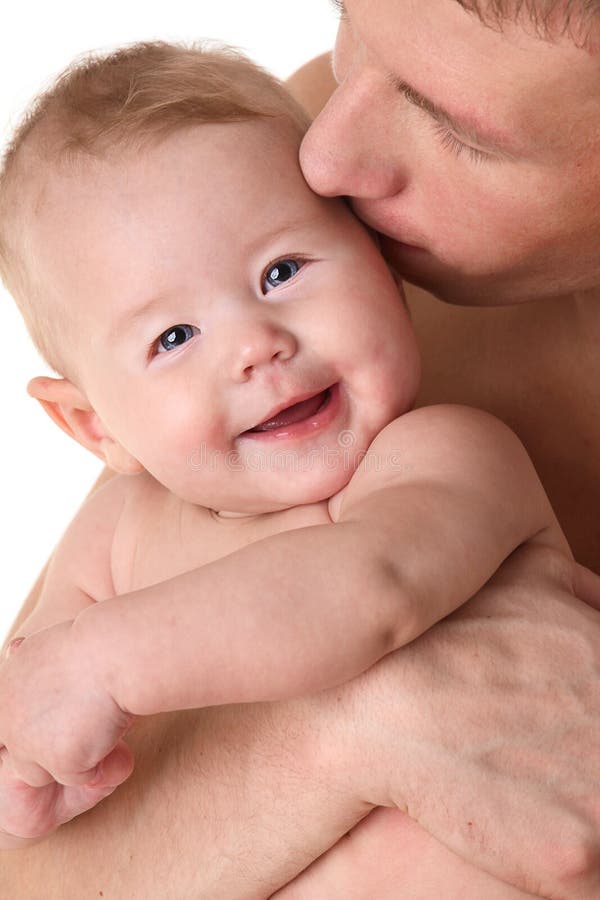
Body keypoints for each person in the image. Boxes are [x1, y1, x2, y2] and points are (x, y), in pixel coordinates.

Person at [2, 1, 600, 895]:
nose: (255, 346)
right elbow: (34, 784)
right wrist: (28, 776)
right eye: (173, 338)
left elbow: (369, 585)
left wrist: (106, 663)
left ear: (374, 269)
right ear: (94, 425)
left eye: (283, 273)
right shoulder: (119, 527)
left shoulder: (446, 455)